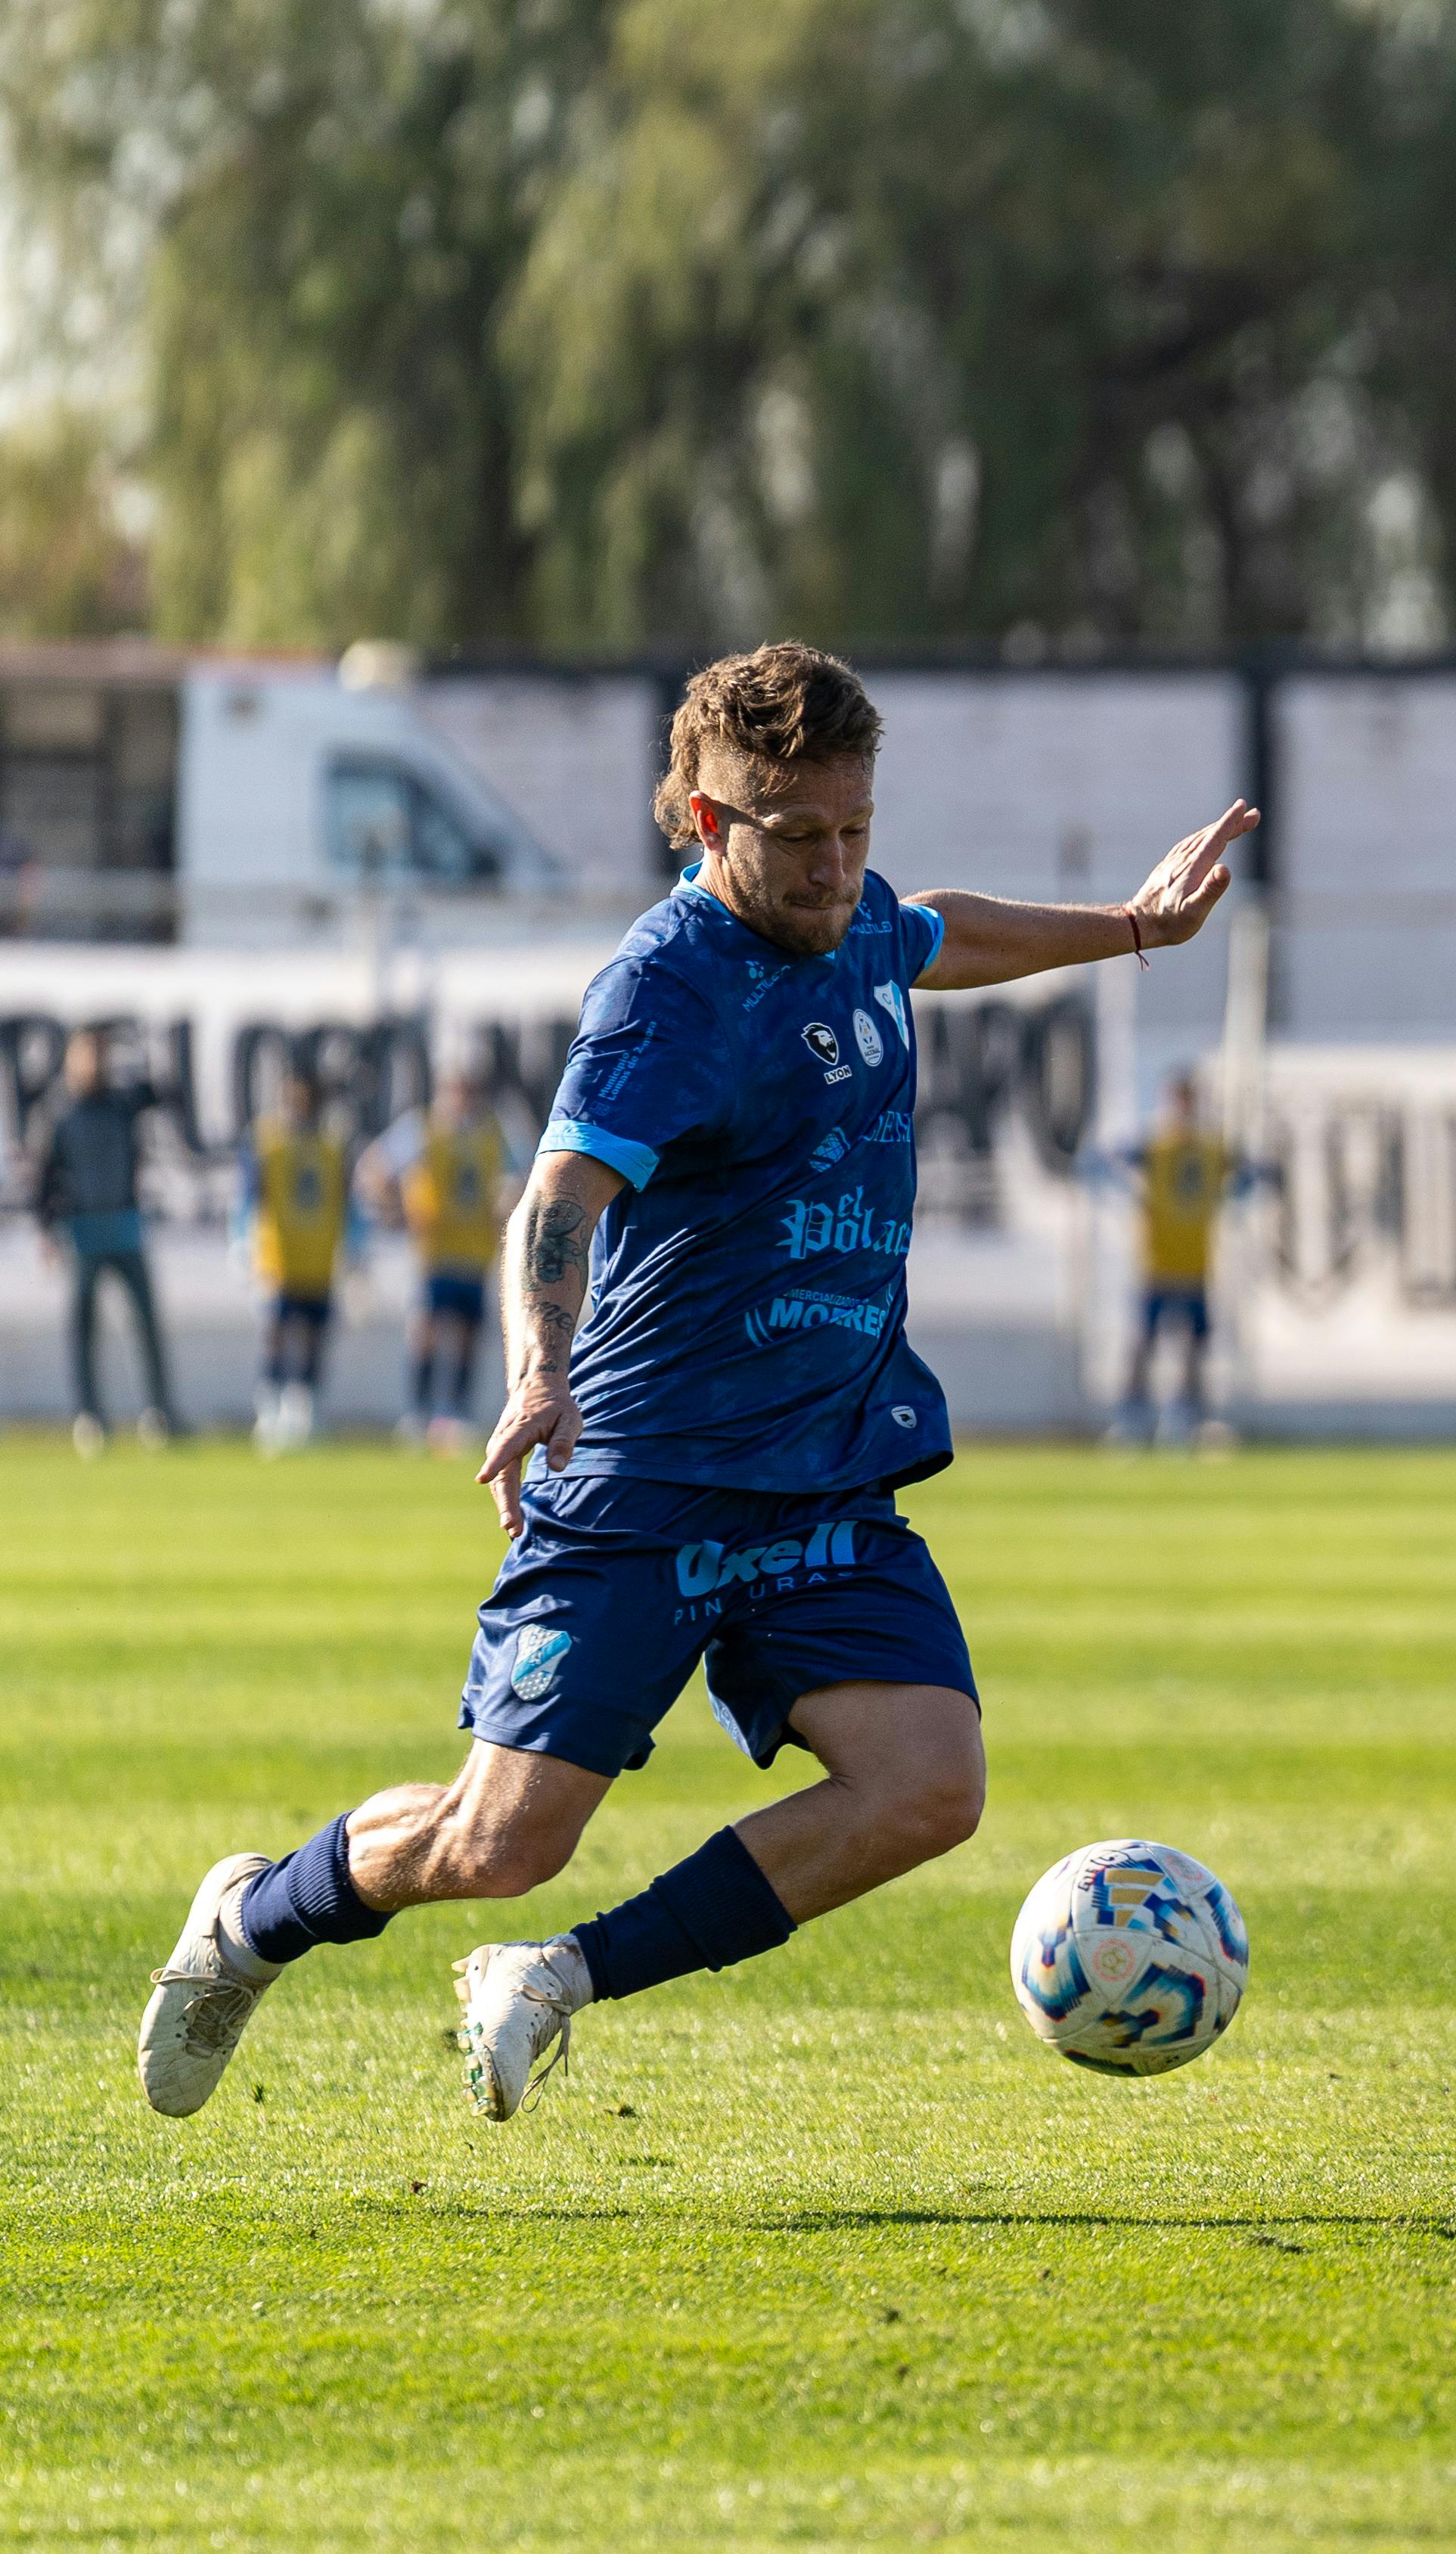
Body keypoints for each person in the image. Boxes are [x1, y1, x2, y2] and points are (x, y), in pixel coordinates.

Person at [135, 641, 1247, 2127]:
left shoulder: (851, 917)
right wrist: (537, 1366)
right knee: (498, 1836)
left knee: (928, 1783)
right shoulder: (667, 987)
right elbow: (557, 1197)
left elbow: (938, 933)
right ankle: (257, 1914)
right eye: (801, 837)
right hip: (649, 1479)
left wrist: (1128, 927)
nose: (838, 865)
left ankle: (558, 1977)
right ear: (708, 820)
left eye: (857, 826)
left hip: (827, 1469)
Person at [28, 1025, 173, 1455]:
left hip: (125, 1230)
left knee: (146, 1326)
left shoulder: (121, 1103)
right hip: (85, 1236)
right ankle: (90, 1415)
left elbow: (162, 1095)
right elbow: (45, 1178)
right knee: (83, 1331)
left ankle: (158, 1411)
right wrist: (47, 1232)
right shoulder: (61, 1113)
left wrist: (146, 1057)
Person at [375, 1068, 521, 1452]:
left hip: (475, 1251)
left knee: (469, 1335)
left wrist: (507, 1209)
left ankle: (456, 1413)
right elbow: (376, 1169)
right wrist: (397, 1210)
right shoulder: (423, 1128)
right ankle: (418, 1413)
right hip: (435, 1252)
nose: (463, 1097)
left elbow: (521, 1175)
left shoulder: (493, 1132)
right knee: (427, 1331)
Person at [1115, 1067, 1248, 1453]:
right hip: (1157, 1263)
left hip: (1195, 1264)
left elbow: (1246, 1169)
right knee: (1144, 1344)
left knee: (1193, 1349)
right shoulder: (1154, 1148)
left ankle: (1187, 1418)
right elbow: (1111, 1161)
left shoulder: (1212, 1150)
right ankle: (1134, 1419)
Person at [242, 1065, 354, 1455]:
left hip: (319, 1257)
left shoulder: (330, 1145)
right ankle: (269, 1408)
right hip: (278, 1257)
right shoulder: (268, 1142)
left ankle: (306, 1407)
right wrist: (243, 1243)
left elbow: (343, 1200)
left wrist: (354, 1248)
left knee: (312, 1336)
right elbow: (251, 1197)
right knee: (276, 1331)